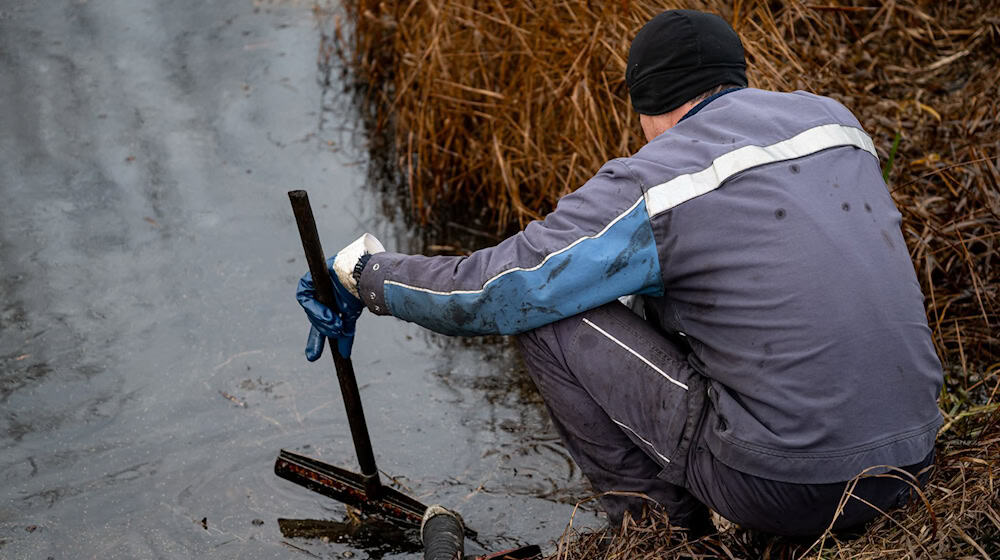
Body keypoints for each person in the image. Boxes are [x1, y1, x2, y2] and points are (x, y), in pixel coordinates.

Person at [296, 9, 943, 537]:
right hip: (913, 457)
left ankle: (658, 536)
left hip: (794, 488)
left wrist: (367, 275)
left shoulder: (660, 179)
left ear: (648, 102)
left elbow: (497, 291)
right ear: (734, 78)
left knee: (549, 316)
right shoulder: (836, 124)